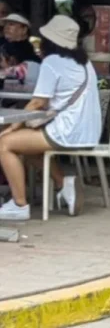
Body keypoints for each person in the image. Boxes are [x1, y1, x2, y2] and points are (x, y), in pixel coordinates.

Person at [0, 15, 102, 220]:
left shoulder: (53, 62)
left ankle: (19, 204)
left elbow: (38, 103)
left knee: (4, 144)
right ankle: (63, 183)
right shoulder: (84, 62)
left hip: (66, 131)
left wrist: (13, 126)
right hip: (88, 131)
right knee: (24, 145)